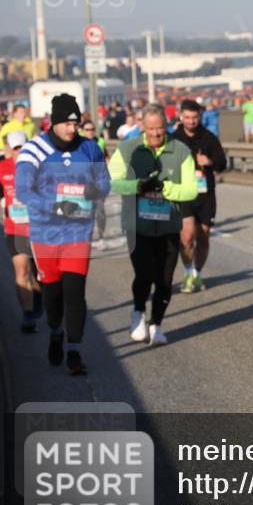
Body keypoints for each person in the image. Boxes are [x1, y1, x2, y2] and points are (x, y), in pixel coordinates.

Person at [14, 93, 111, 375]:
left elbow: (104, 182)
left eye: (76, 123)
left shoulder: (90, 148)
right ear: (54, 123)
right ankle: (56, 331)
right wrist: (56, 207)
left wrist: (94, 191)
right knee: (53, 295)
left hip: (78, 234)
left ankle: (74, 351)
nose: (73, 129)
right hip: (45, 235)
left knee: (75, 293)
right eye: (67, 124)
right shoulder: (34, 150)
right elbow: (22, 191)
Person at [109, 104, 198, 345]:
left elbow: (191, 190)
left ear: (166, 126)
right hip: (137, 225)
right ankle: (138, 311)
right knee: (145, 274)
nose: (156, 134)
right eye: (150, 129)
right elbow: (111, 181)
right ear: (142, 126)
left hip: (168, 224)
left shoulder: (180, 150)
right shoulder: (127, 148)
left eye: (160, 128)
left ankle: (156, 325)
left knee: (165, 280)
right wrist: (136, 186)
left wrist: (166, 188)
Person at [0, 130, 43, 333]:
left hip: (39, 229)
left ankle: (38, 294)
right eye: (16, 147)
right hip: (15, 228)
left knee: (40, 275)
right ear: (9, 148)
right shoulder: (1, 167)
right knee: (22, 270)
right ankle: (27, 316)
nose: (20, 151)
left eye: (23, 146)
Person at [172, 99, 227, 293]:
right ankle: (187, 272)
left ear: (199, 117)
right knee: (186, 237)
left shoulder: (209, 138)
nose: (191, 121)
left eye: (194, 117)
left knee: (203, 238)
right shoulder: (174, 138)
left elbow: (222, 163)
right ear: (181, 117)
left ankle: (196, 273)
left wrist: (209, 161)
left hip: (205, 194)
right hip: (184, 193)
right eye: (187, 117)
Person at [79, 120, 110, 249]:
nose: (90, 132)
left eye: (92, 129)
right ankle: (86, 239)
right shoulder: (78, 144)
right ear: (82, 131)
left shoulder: (100, 142)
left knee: (100, 210)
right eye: (87, 129)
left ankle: (101, 236)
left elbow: (107, 157)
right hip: (84, 183)